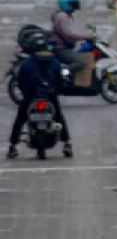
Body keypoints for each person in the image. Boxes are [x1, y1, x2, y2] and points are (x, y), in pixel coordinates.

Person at [7, 31, 72, 159]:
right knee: (59, 116)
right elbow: (60, 81)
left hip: (30, 97)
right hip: (50, 96)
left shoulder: (27, 63)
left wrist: (27, 92)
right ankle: (67, 144)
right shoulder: (55, 62)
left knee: (20, 120)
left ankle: (13, 147)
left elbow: (20, 81)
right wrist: (54, 90)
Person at [49, 0, 93, 87]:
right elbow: (68, 34)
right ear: (66, 4)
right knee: (81, 62)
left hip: (61, 46)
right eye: (72, 4)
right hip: (61, 48)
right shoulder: (62, 17)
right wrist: (86, 36)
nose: (74, 6)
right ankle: (63, 73)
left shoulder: (61, 15)